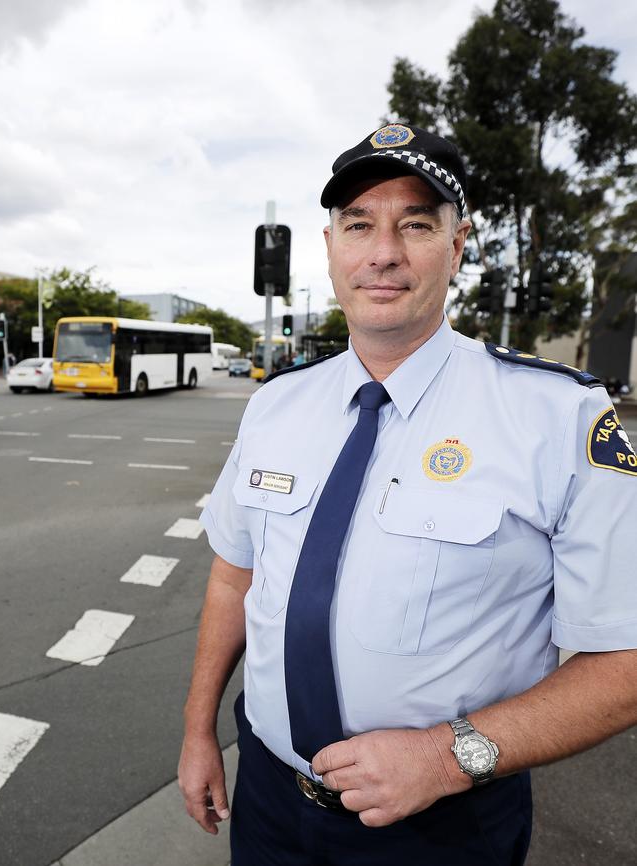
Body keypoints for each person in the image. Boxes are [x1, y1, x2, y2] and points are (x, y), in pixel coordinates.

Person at [179, 123, 637, 866]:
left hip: (442, 829)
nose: (383, 251)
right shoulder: (276, 405)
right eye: (359, 224)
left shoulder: (557, 416)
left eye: (416, 224)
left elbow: (626, 660)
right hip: (269, 801)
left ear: (458, 246)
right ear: (330, 246)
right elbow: (235, 576)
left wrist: (445, 758)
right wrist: (200, 729)